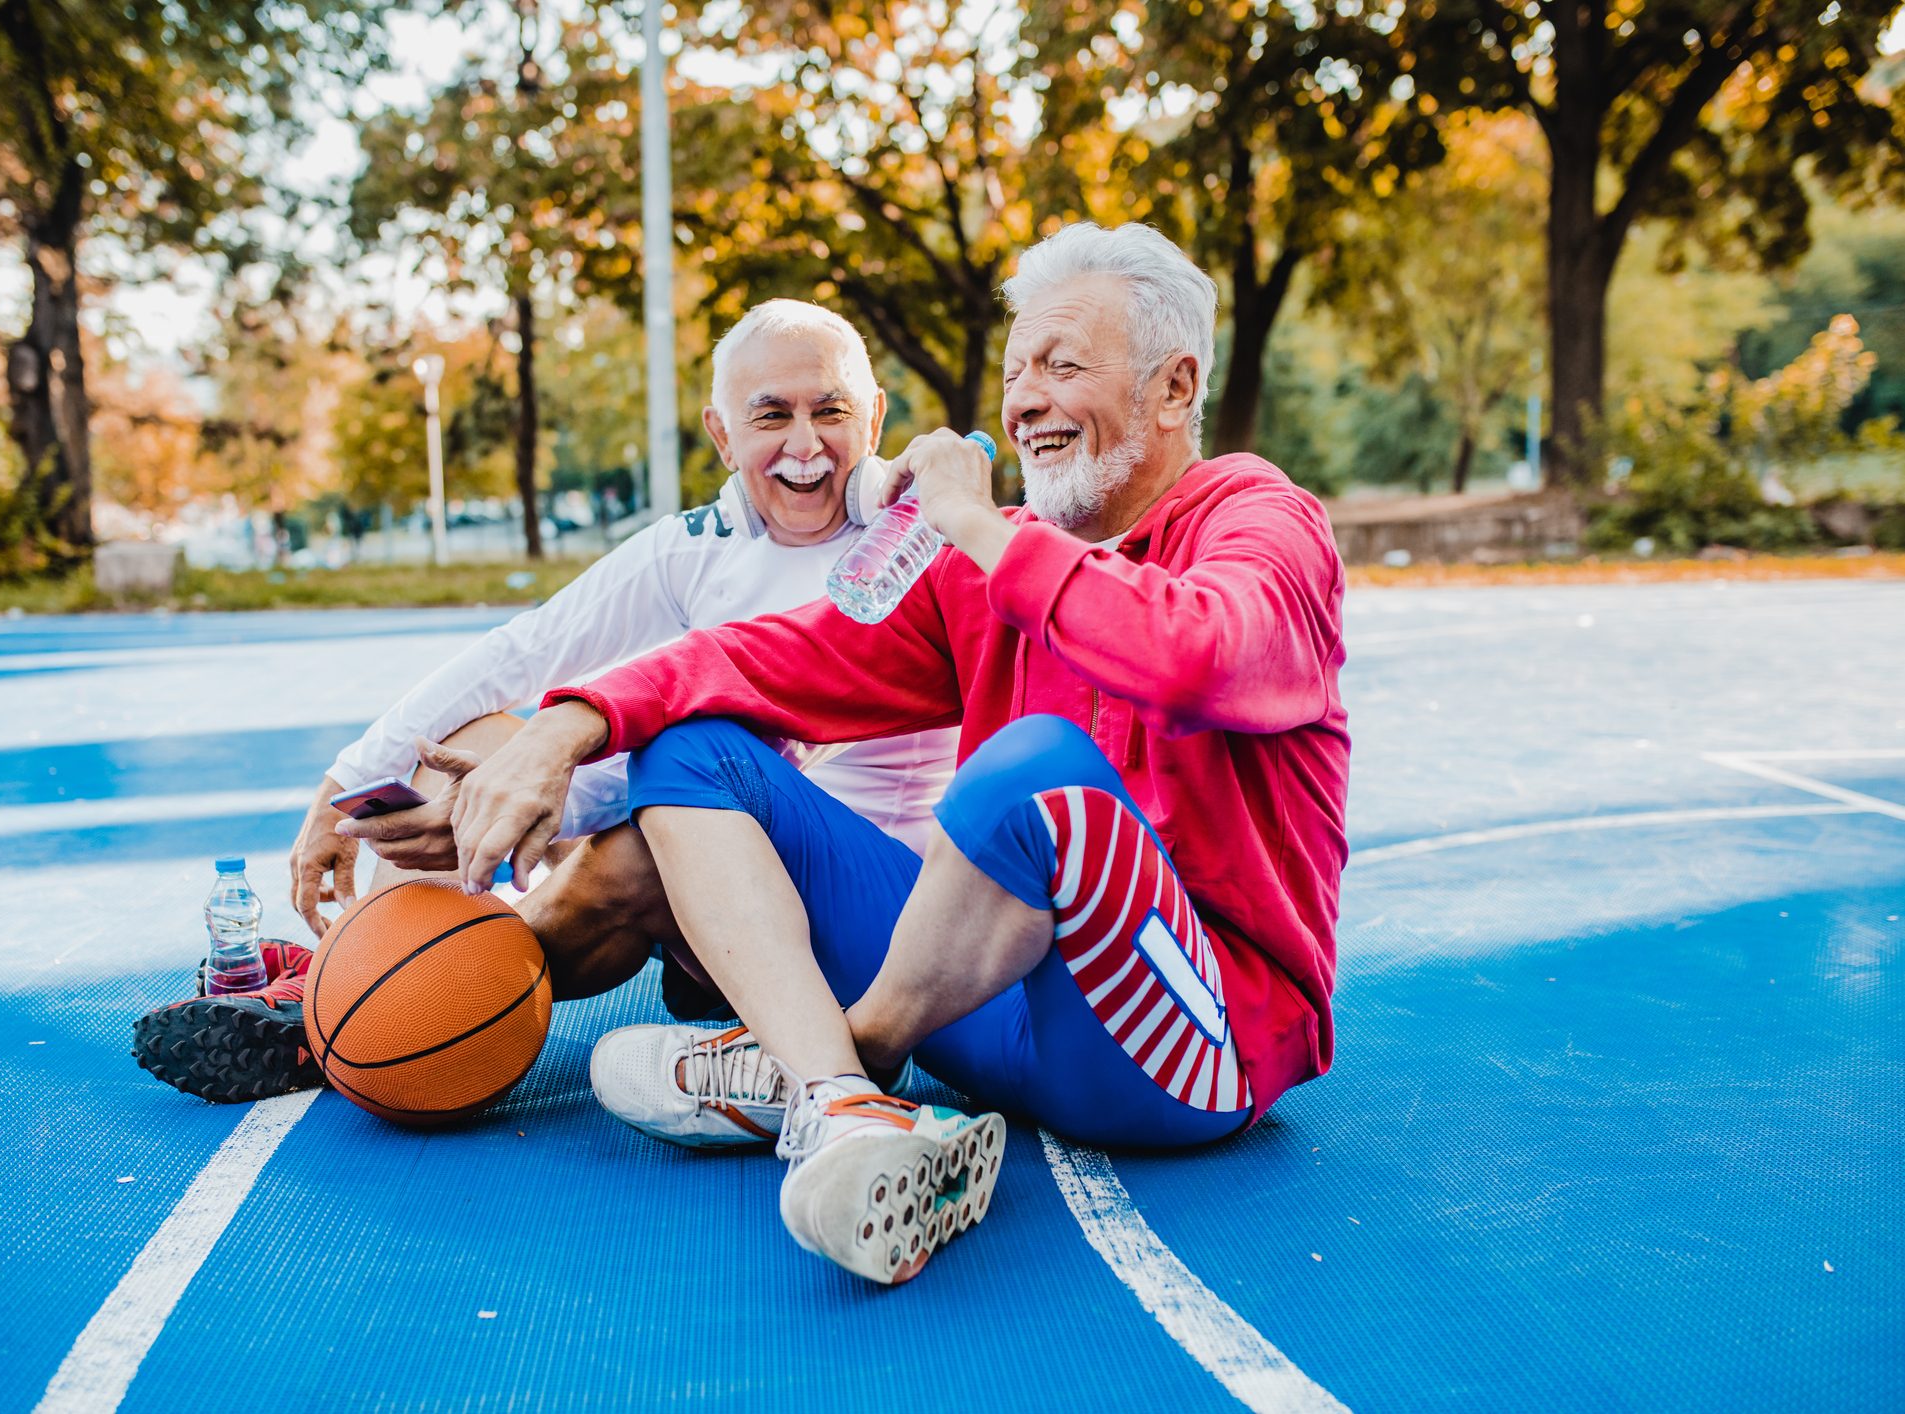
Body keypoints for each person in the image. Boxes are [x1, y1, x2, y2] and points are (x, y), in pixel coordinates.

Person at [433, 222, 1351, 1284]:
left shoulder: (1261, 520)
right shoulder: (978, 571)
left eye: (1062, 365)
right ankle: (843, 1102)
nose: (1026, 401)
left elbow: (1200, 654)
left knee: (1031, 769)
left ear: (1173, 387)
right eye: (1016, 372)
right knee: (692, 749)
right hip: (985, 1019)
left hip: (1186, 1047)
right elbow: (762, 659)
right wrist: (571, 723)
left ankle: (849, 1049)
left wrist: (971, 519)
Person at [130, 300, 962, 1107]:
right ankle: (365, 982)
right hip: (718, 864)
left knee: (625, 839)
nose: (806, 445)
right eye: (771, 415)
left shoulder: (920, 541)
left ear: (876, 417)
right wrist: (344, 785)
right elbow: (521, 651)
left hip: (862, 904)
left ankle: (368, 1007)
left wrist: (544, 794)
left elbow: (742, 761)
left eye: (832, 411)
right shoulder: (697, 547)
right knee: (461, 750)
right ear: (721, 433)